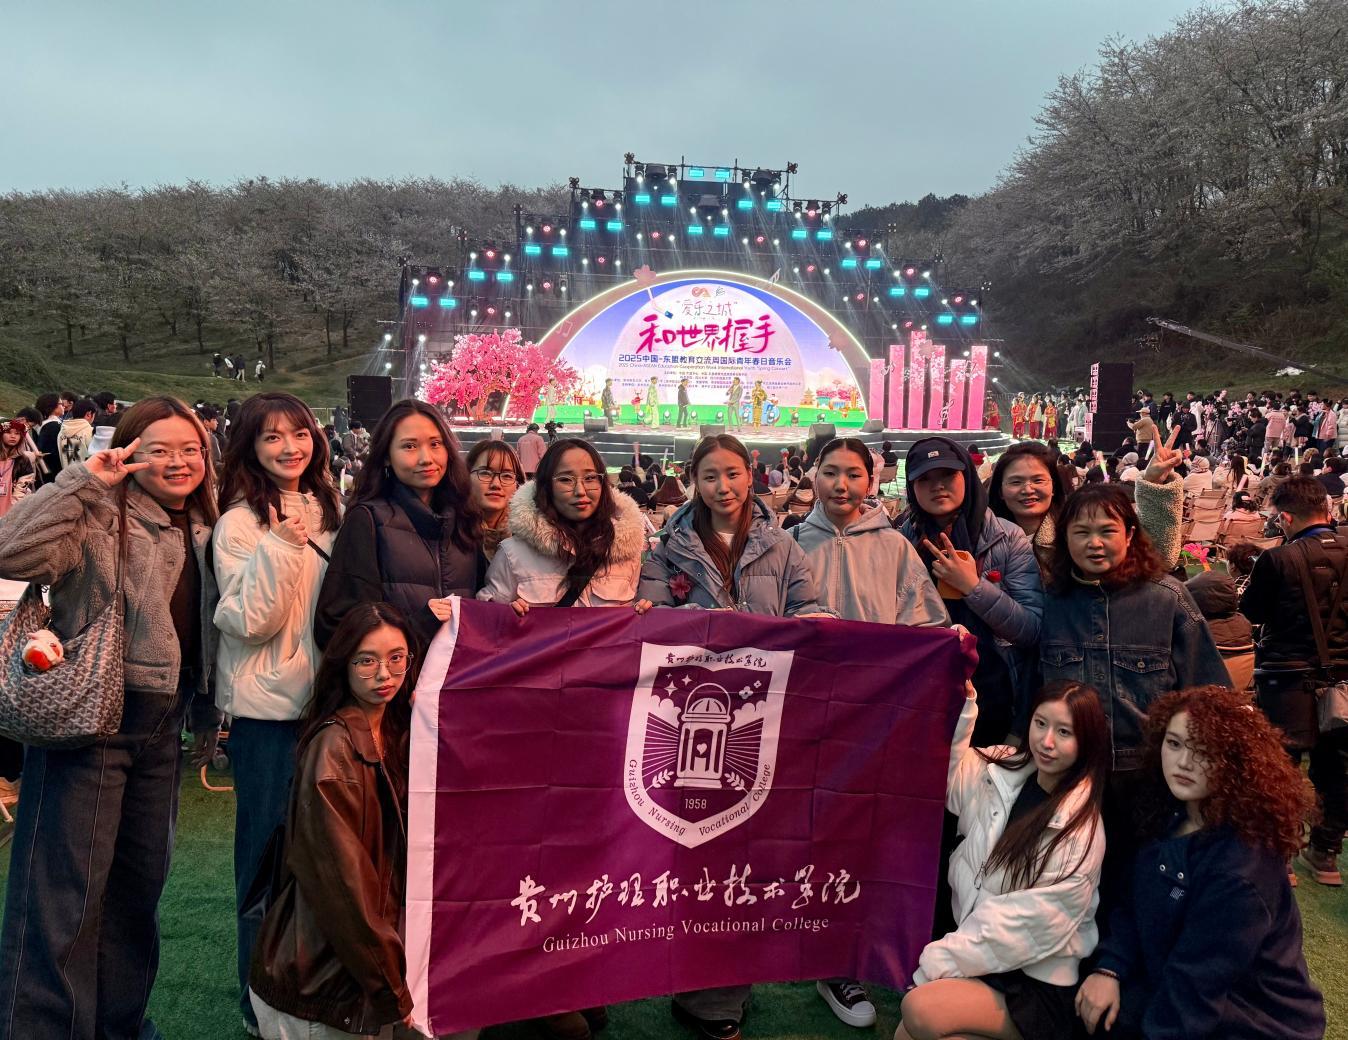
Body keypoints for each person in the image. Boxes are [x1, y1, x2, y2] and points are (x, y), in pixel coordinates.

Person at [0, 396, 221, 1040]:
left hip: (164, 727)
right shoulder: (98, 513)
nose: (178, 462)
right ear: (127, 451)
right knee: (61, 898)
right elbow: (9, 551)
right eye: (159, 449)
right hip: (91, 722)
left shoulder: (205, 525)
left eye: (190, 449)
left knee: (135, 892)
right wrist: (81, 481)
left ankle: (120, 1027)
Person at [637, 434, 826, 1040]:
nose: (724, 487)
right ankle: (699, 992)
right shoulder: (666, 549)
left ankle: (730, 988)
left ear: (752, 474)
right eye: (710, 476)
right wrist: (705, 628)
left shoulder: (782, 544)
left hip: (764, 720)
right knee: (695, 855)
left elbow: (809, 612)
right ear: (694, 480)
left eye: (733, 473)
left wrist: (816, 624)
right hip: (688, 718)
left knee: (750, 854)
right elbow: (651, 624)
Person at [1076, 686, 1324, 1039]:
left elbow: (1194, 992)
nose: (1184, 762)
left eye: (1204, 750)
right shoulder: (1168, 811)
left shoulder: (1240, 868)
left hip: (1252, 1021)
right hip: (1172, 984)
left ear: (1235, 760)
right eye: (1174, 743)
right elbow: (1133, 903)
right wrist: (1110, 968)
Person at [212, 392, 343, 1035]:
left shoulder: (330, 507)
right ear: (250, 447)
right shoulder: (239, 524)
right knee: (265, 866)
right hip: (268, 717)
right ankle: (257, 1003)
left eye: (299, 433)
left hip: (329, 707)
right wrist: (282, 547)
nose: (289, 447)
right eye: (271, 437)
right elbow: (249, 620)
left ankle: (311, 995)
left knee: (329, 865)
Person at [248, 602, 427, 1040]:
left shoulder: (395, 732)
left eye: (396, 658)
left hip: (359, 975)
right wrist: (390, 987)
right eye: (366, 661)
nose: (384, 674)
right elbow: (344, 890)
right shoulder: (334, 750)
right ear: (343, 665)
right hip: (320, 988)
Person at [898, 682, 1109, 1040]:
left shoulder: (1081, 831)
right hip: (986, 960)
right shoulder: (1004, 768)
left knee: (919, 1009)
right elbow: (945, 779)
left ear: (1086, 741)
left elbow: (1018, 927)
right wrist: (963, 703)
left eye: (1064, 732)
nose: (1046, 741)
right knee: (908, 1032)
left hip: (1034, 983)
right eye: (1040, 723)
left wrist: (939, 962)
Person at [899, 437, 1043, 745]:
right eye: (925, 479)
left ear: (966, 474)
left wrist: (973, 587)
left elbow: (1031, 628)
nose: (938, 486)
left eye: (947, 475)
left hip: (994, 694)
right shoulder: (900, 542)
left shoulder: (1007, 538)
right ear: (912, 487)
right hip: (922, 694)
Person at [1241, 476, 1348, 885]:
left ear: (1285, 518)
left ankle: (1280, 856)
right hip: (1343, 679)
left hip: (1286, 678)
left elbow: (1252, 612)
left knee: (1280, 771)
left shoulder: (1278, 559)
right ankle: (1326, 854)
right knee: (1337, 770)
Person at [316, 399, 480, 653]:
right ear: (386, 457)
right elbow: (336, 626)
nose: (426, 458)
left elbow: (481, 600)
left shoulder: (464, 518)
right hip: (400, 675)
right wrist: (417, 627)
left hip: (460, 674)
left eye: (435, 444)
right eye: (409, 446)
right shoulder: (368, 520)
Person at [986, 443, 1069, 580]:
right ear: (1000, 491)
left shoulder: (1071, 538)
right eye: (1016, 482)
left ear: (1053, 487)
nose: (1028, 490)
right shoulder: (983, 540)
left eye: (1038, 480)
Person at [465, 438, 524, 573]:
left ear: (518, 485)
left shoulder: (532, 537)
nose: (496, 484)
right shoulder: (448, 530)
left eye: (507, 476)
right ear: (466, 477)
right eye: (485, 473)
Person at [0, 417, 37, 519]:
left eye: (17, 433)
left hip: (11, 511)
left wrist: (14, 510)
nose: (13, 436)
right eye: (8, 432)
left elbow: (22, 487)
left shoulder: (23, 460)